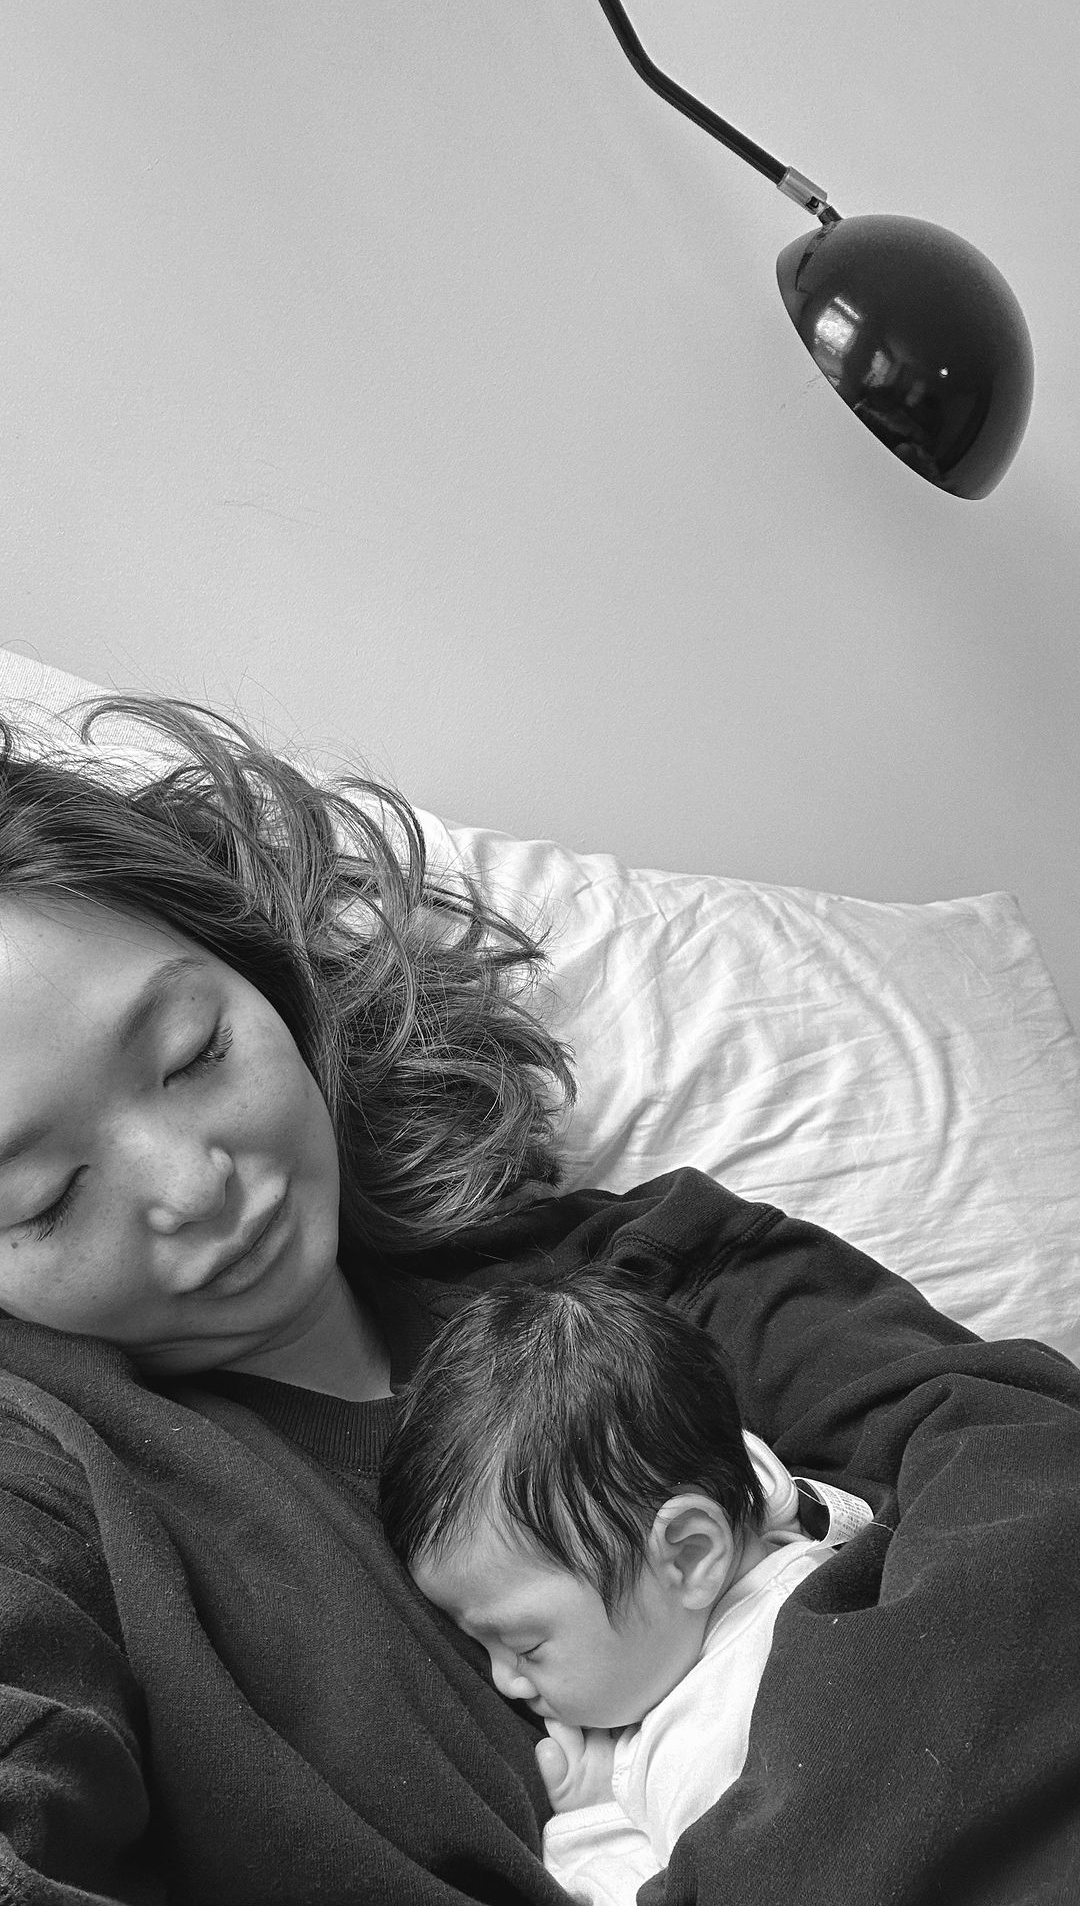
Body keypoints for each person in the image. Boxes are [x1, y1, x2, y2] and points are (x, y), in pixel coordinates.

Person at [0, 691, 1078, 1906]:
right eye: (44, 1195)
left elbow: (1036, 1478)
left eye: (196, 1052)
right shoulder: (49, 1488)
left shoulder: (647, 1269)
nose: (192, 1185)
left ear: (271, 986)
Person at [380, 1269, 864, 1906]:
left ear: (690, 1556)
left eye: (524, 1646)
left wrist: (596, 1822)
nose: (506, 1681)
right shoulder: (812, 1550)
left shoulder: (709, 1732)